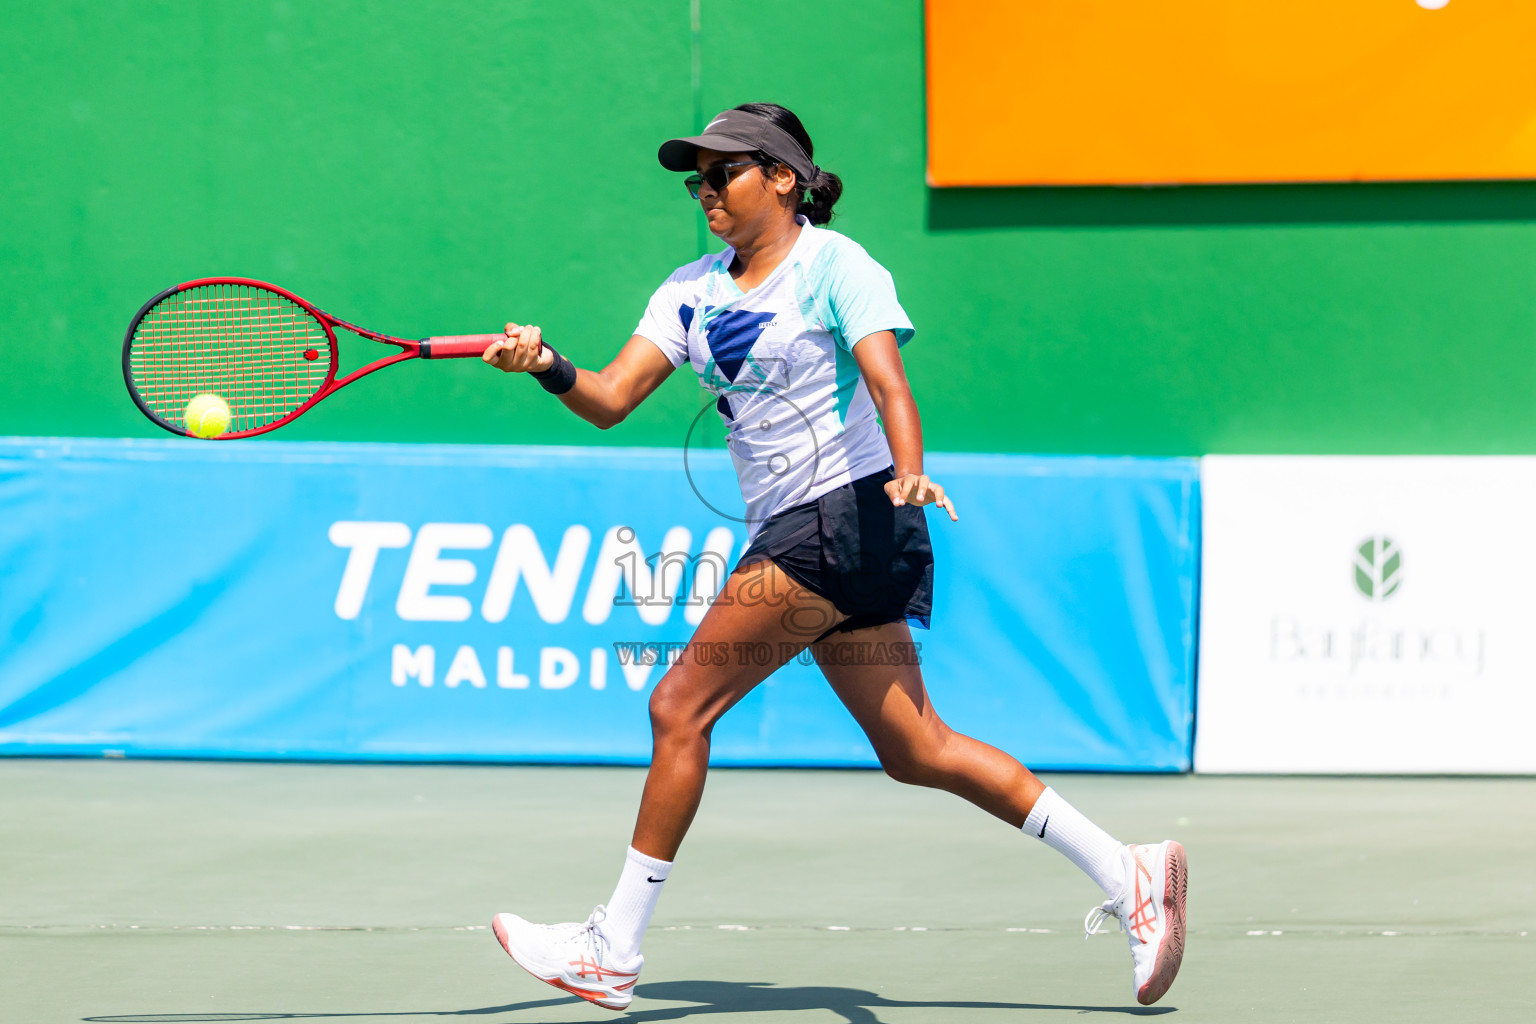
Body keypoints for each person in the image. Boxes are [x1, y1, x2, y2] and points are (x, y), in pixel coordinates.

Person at [479, 102, 1186, 1010]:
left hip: (847, 512)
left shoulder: (833, 265)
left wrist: (915, 472)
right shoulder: (688, 290)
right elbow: (612, 396)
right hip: (822, 530)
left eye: (723, 173)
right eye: (697, 178)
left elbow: (887, 376)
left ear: (782, 178)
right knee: (915, 747)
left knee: (679, 705)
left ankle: (612, 948)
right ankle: (1128, 873)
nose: (706, 191)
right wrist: (545, 364)